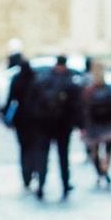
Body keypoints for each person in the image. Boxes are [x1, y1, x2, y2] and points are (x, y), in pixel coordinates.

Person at [20, 56, 82, 199]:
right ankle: (65, 184)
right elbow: (76, 106)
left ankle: (41, 184)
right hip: (62, 125)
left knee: (43, 155)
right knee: (63, 156)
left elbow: (31, 103)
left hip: (44, 125)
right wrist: (78, 124)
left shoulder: (42, 80)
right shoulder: (69, 81)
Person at [78, 60, 111, 188]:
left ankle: (100, 171)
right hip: (107, 123)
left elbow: (83, 109)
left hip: (93, 124)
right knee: (108, 148)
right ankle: (105, 169)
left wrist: (83, 126)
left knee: (95, 150)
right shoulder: (110, 89)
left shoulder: (88, 89)